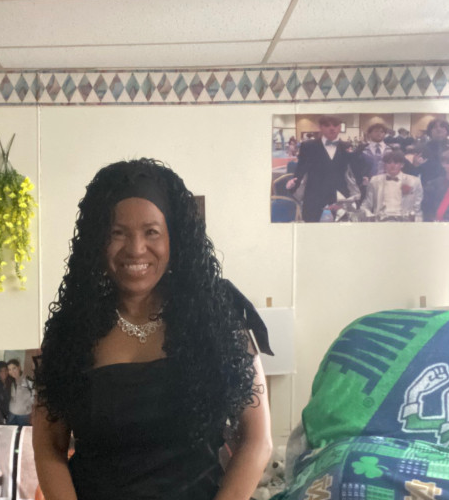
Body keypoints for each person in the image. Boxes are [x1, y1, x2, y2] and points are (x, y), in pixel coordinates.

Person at [32, 158, 273, 500]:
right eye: (117, 233)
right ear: (97, 241)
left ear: (174, 238)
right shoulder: (69, 331)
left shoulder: (218, 317)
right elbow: (48, 448)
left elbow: (257, 441)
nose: (135, 249)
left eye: (151, 232)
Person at [286, 115, 357, 222]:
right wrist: (293, 185)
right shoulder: (308, 146)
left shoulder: (346, 146)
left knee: (342, 228)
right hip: (314, 194)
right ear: (321, 127)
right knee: (311, 225)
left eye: (335, 125)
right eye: (327, 125)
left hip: (340, 194)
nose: (332, 128)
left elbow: (351, 170)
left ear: (339, 127)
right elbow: (301, 168)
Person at [361, 151, 423, 221]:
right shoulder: (375, 181)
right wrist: (371, 217)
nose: (392, 166)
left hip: (404, 222)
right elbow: (367, 204)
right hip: (380, 221)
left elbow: (417, 207)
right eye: (389, 163)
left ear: (402, 165)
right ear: (385, 165)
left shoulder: (413, 181)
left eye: (396, 163)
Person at [422, 148, 449, 221]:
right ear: (443, 164)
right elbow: (426, 208)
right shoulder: (433, 184)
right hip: (436, 224)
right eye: (447, 163)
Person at [419, 118, 449, 185]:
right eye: (435, 127)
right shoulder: (422, 148)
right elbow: (418, 168)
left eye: (442, 126)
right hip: (428, 183)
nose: (438, 129)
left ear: (447, 130)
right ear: (430, 131)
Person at [6, 359, 34, 425]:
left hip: (23, 415)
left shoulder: (27, 380)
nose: (12, 371)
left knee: (22, 430)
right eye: (9, 369)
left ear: (19, 367)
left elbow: (34, 394)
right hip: (11, 413)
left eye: (14, 368)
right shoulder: (9, 381)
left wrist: (28, 405)